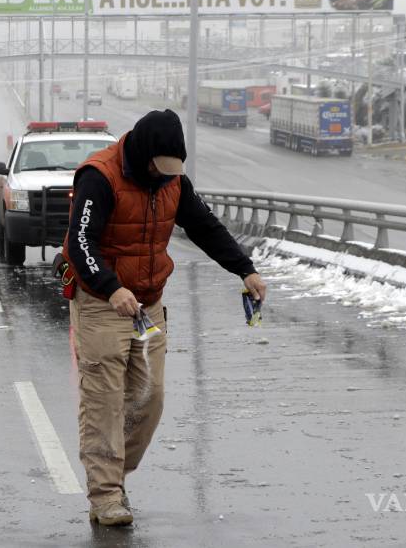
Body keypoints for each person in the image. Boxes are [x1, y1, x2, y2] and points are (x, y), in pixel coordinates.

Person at [61, 109, 266, 527]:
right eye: (159, 169)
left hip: (147, 304)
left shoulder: (173, 182)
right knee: (104, 400)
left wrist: (245, 268)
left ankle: (114, 476)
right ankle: (106, 496)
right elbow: (80, 244)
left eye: (172, 172)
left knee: (148, 398)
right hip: (103, 302)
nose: (164, 178)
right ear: (143, 152)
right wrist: (110, 286)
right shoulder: (99, 177)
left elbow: (205, 227)